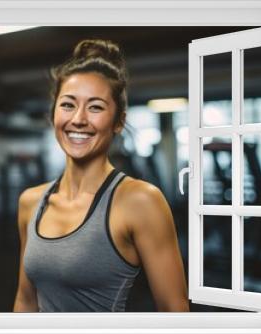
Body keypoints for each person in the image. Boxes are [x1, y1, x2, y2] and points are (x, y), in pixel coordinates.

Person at [13, 39, 189, 312]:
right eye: (68, 105)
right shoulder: (30, 202)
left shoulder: (141, 201)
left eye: (95, 107)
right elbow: (25, 301)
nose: (79, 119)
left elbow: (175, 314)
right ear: (53, 114)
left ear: (118, 121)